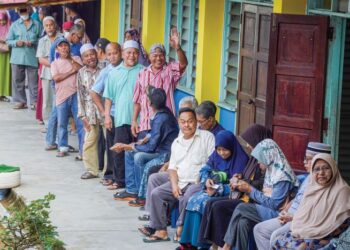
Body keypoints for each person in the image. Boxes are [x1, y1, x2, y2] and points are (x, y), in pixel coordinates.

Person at [141, 107, 215, 243]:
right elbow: (173, 168)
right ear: (178, 122)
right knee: (157, 193)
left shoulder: (207, 137)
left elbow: (212, 163)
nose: (186, 125)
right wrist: (174, 185)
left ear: (196, 122)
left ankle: (180, 227)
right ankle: (160, 230)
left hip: (197, 182)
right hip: (180, 181)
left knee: (186, 197)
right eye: (183, 122)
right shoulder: (177, 142)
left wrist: (203, 180)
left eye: (190, 121)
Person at [197, 124, 272, 249]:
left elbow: (262, 183)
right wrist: (240, 177)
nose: (248, 145)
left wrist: (243, 183)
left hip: (252, 199)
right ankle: (210, 245)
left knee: (218, 206)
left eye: (250, 142)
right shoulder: (254, 158)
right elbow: (249, 177)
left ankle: (223, 246)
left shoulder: (265, 159)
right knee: (211, 203)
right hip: (243, 193)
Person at [222, 139, 299, 250]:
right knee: (243, 222)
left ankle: (226, 246)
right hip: (266, 208)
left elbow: (274, 205)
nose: (258, 163)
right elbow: (265, 193)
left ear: (269, 157)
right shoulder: (271, 170)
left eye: (260, 160)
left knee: (241, 208)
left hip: (279, 214)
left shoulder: (282, 176)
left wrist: (249, 190)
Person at [253, 142, 332, 250]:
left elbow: (315, 213)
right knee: (258, 229)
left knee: (275, 236)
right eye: (306, 158)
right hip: (289, 215)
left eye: (309, 159)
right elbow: (300, 198)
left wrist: (293, 217)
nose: (305, 162)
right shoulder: (309, 178)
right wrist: (290, 205)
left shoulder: (322, 182)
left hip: (300, 220)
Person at [179, 130, 250, 249]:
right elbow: (204, 170)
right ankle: (190, 243)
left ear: (232, 147)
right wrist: (206, 180)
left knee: (204, 202)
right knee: (193, 200)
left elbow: (239, 187)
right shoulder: (215, 155)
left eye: (225, 149)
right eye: (219, 149)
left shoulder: (241, 160)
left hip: (229, 194)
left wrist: (218, 190)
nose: (221, 153)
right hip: (211, 189)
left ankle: (202, 244)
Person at [111, 88, 179, 202]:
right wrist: (144, 139)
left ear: (150, 103)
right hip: (160, 148)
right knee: (130, 152)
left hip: (165, 153)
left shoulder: (161, 118)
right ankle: (132, 190)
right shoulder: (163, 111)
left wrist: (129, 146)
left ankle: (142, 195)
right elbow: (154, 133)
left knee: (138, 156)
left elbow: (151, 148)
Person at [272, 153, 350, 249]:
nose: (321, 173)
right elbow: (306, 215)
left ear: (333, 169)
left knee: (295, 246)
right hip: (308, 231)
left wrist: (314, 234)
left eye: (326, 168)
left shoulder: (342, 190)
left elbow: (341, 223)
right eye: (317, 169)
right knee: (277, 241)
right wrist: (293, 218)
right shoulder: (312, 189)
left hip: (326, 236)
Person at [132, 28, 188, 140]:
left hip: (166, 125)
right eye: (155, 55)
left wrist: (177, 47)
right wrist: (134, 120)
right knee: (143, 154)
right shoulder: (142, 74)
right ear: (149, 57)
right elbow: (137, 100)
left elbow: (183, 64)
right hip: (146, 124)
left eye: (161, 55)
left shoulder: (170, 70)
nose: (158, 58)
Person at [103, 40, 144, 191]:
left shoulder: (143, 71)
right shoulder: (114, 73)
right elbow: (108, 97)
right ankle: (119, 180)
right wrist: (107, 116)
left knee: (136, 150)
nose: (131, 56)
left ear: (138, 55)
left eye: (134, 53)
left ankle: (135, 182)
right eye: (128, 52)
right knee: (119, 150)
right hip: (120, 118)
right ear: (122, 54)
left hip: (139, 120)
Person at [90, 42, 122, 187]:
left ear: (120, 52)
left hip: (127, 114)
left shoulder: (128, 67)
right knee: (111, 146)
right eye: (109, 54)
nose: (112, 56)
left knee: (123, 147)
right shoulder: (106, 72)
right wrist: (104, 112)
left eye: (115, 53)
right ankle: (110, 174)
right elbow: (94, 92)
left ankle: (120, 177)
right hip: (113, 114)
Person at [50, 37, 83, 157]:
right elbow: (56, 78)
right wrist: (71, 72)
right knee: (62, 123)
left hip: (75, 94)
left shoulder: (76, 58)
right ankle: (63, 147)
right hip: (61, 96)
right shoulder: (54, 63)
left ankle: (82, 150)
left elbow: (81, 69)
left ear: (69, 47)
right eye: (61, 46)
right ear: (57, 49)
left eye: (66, 45)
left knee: (80, 123)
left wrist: (70, 60)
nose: (64, 47)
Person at [6, 6, 42, 110]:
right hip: (17, 57)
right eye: (21, 11)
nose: (24, 13)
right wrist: (16, 42)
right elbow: (8, 40)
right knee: (17, 80)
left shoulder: (37, 24)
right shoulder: (15, 25)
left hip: (32, 56)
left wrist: (34, 42)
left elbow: (42, 39)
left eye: (25, 10)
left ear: (29, 10)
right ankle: (21, 101)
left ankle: (35, 102)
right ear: (18, 12)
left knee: (33, 81)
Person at [77, 43, 102, 179]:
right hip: (89, 112)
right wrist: (82, 116)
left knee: (108, 141)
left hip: (105, 111)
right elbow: (79, 95)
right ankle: (91, 170)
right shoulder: (81, 73)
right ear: (82, 59)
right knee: (89, 141)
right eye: (86, 56)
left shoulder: (104, 68)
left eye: (92, 54)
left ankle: (107, 171)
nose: (90, 58)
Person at [36, 16, 62, 130]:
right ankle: (48, 124)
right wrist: (54, 64)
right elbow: (40, 59)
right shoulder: (42, 40)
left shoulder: (62, 38)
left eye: (51, 25)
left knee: (60, 99)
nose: (49, 28)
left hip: (61, 74)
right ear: (44, 28)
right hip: (47, 74)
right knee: (47, 100)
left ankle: (61, 122)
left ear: (55, 25)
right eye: (46, 26)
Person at [0, 10, 11, 102]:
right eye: (0, 20)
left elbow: (12, 37)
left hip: (6, 54)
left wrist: (6, 40)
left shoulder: (10, 27)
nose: (2, 22)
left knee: (4, 73)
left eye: (3, 20)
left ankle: (3, 94)